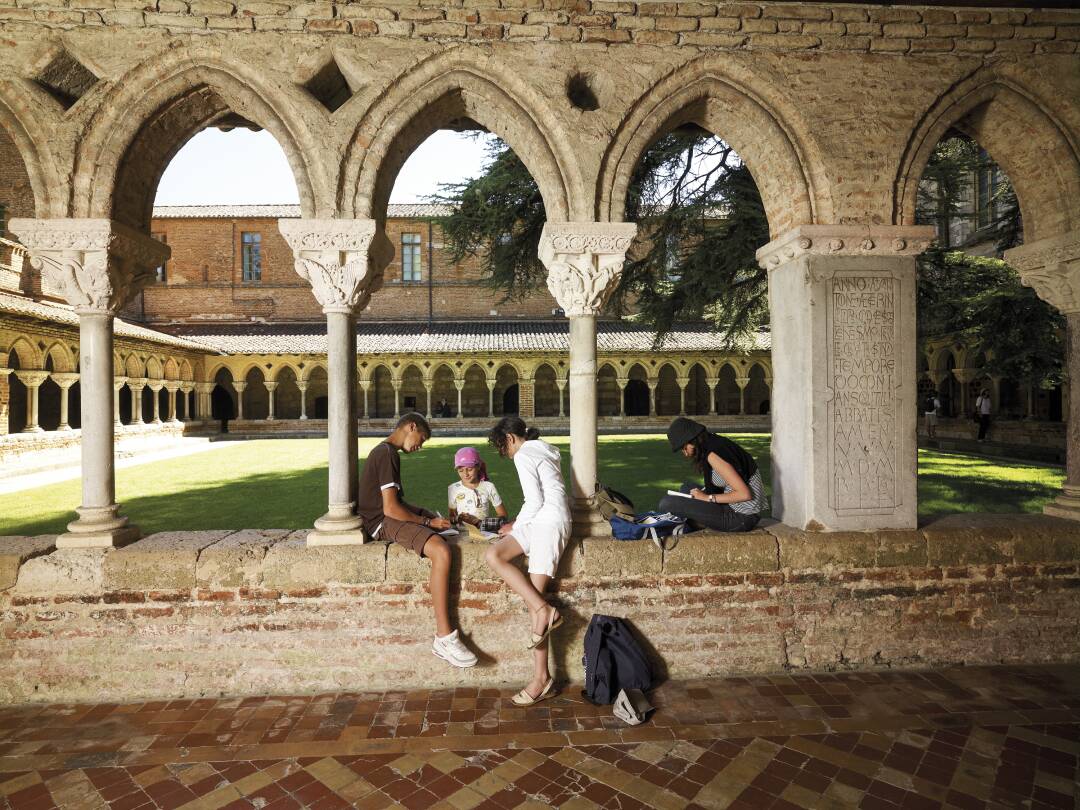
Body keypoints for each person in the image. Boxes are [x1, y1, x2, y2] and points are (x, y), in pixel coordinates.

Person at [357, 412, 477, 669]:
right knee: (441, 551)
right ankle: (444, 637)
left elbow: (396, 502)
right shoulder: (387, 453)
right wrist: (427, 523)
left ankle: (445, 636)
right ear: (411, 426)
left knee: (441, 536)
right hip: (381, 523)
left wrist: (425, 513)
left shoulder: (384, 451)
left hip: (381, 517)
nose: (419, 446)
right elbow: (390, 509)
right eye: (421, 438)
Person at [484, 416, 571, 706]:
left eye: (502, 448)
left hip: (548, 526)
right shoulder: (542, 448)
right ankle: (545, 610)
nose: (505, 455)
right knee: (495, 554)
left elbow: (534, 500)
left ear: (510, 438)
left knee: (536, 606)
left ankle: (541, 679)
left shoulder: (523, 454)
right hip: (545, 521)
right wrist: (518, 527)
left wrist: (515, 526)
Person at [658, 417, 769, 532]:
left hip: (742, 517)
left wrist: (706, 497)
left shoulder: (713, 455)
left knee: (666, 503)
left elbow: (744, 494)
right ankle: (698, 520)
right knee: (686, 488)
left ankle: (699, 521)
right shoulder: (713, 442)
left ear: (693, 440)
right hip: (733, 505)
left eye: (685, 448)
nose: (685, 453)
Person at [448, 446, 508, 527]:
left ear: (478, 466)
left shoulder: (488, 487)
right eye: (461, 471)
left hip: (485, 533)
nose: (465, 474)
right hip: (461, 534)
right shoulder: (453, 488)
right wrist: (458, 518)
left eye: (469, 469)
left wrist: (477, 522)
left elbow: (503, 517)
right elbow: (452, 518)